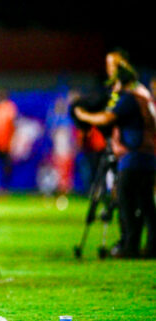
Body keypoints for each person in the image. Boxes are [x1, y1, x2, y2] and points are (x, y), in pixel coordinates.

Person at [74, 50, 156, 258]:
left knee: (126, 202)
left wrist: (84, 115)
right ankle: (151, 246)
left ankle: (130, 246)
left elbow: (108, 118)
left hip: (133, 155)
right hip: (147, 154)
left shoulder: (129, 98)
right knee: (146, 203)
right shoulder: (142, 94)